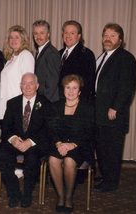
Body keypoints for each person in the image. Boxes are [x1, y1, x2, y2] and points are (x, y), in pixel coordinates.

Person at [94, 23, 136, 193]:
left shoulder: (126, 58)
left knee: (112, 150)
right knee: (102, 148)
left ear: (120, 39)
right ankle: (106, 176)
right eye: (105, 34)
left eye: (112, 35)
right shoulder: (102, 57)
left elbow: (127, 86)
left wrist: (115, 107)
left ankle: (110, 182)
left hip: (113, 114)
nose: (107, 38)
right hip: (99, 114)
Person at [0, 73, 50, 208]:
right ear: (20, 86)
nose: (28, 86)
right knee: (2, 157)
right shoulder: (12, 103)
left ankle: (27, 194)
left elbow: (48, 129)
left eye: (31, 83)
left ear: (37, 86)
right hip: (15, 141)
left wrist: (30, 142)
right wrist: (13, 139)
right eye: (24, 83)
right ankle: (14, 193)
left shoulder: (46, 103)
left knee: (32, 159)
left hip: (35, 143)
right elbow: (5, 126)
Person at [48, 74, 95, 213]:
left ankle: (68, 197)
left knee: (69, 160)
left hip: (80, 145)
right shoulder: (56, 106)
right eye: (68, 87)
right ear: (63, 89)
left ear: (80, 91)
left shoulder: (87, 107)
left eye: (75, 88)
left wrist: (72, 145)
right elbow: (51, 129)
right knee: (52, 159)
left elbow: (89, 132)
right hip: (59, 144)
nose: (71, 91)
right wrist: (58, 144)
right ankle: (60, 196)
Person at [0, 25, 35, 120]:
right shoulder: (12, 57)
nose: (13, 40)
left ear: (23, 40)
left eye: (17, 37)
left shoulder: (25, 55)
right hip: (8, 105)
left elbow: (28, 85)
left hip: (17, 107)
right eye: (11, 37)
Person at [59, 20, 96, 101]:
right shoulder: (59, 53)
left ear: (79, 36)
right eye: (66, 32)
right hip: (59, 101)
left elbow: (88, 84)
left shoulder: (87, 54)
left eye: (72, 33)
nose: (68, 36)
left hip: (76, 103)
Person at [33, 20, 61, 103]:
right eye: (35, 33)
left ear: (48, 34)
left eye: (42, 33)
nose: (38, 37)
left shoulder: (52, 53)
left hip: (47, 102)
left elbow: (52, 84)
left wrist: (41, 103)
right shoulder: (41, 51)